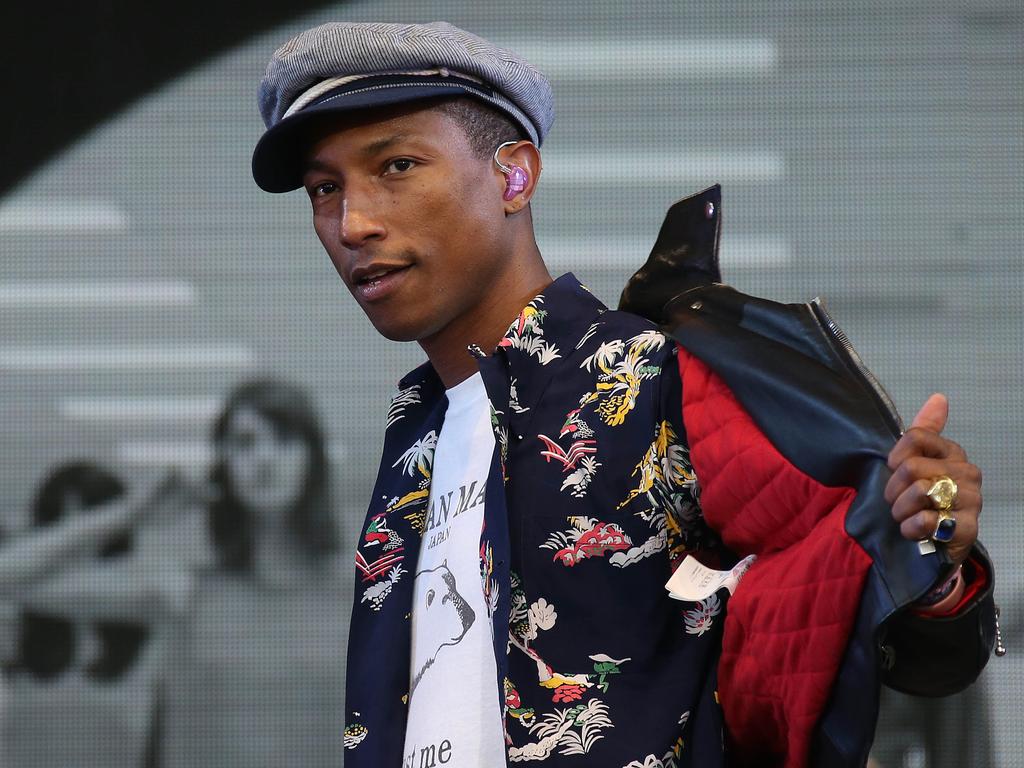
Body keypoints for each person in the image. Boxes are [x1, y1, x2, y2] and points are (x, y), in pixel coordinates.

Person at [249, 22, 997, 768]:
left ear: (515, 175)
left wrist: (931, 547)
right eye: (326, 189)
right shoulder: (420, 433)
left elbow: (885, 625)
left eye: (398, 166)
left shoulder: (656, 381)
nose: (353, 223)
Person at [161, 378, 348, 768]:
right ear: (223, 463)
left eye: (283, 440)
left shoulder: (367, 593)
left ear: (312, 458)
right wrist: (134, 509)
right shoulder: (186, 593)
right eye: (245, 443)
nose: (264, 458)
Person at [0, 461, 193, 767]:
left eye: (92, 532)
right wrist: (126, 511)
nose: (77, 548)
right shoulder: (16, 627)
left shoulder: (156, 608)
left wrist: (131, 515)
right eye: (63, 533)